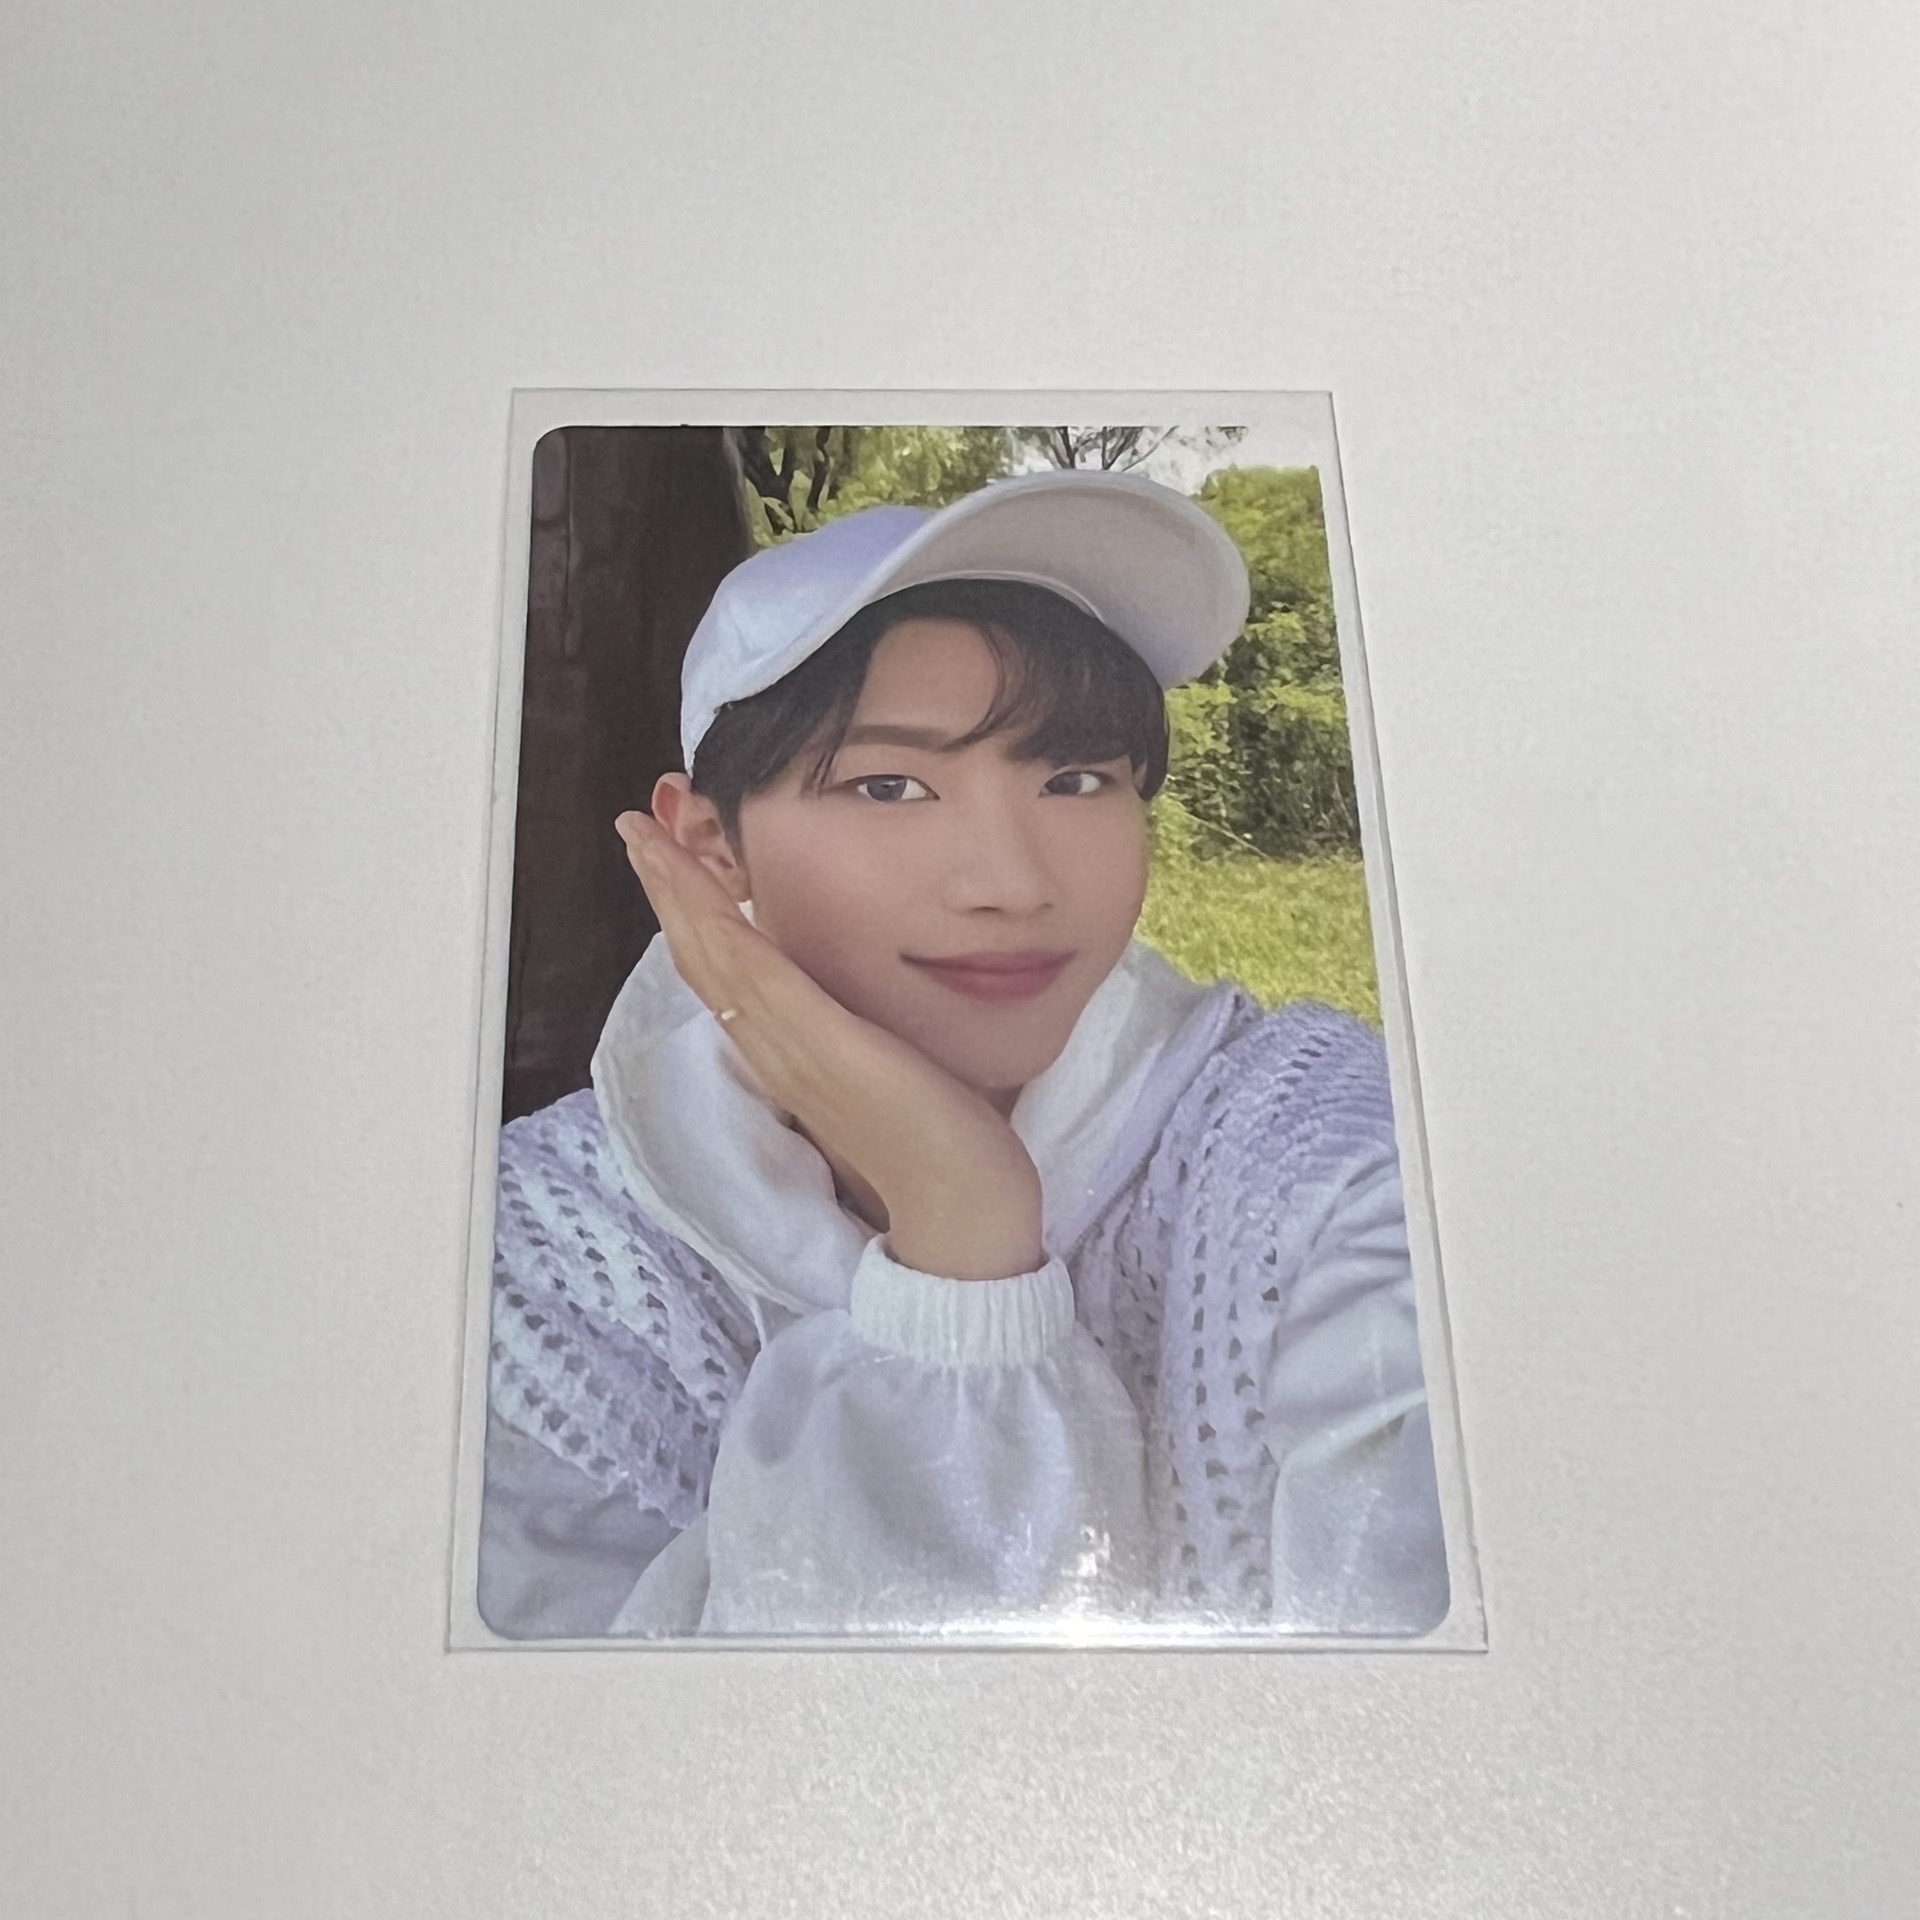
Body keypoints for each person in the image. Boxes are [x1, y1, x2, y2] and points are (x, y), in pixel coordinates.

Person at [478, 468, 1448, 1640]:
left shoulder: (1335, 1166)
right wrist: (958, 1241)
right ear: (710, 845)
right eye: (890, 786)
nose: (1012, 883)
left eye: (1076, 779)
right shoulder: (538, 1262)